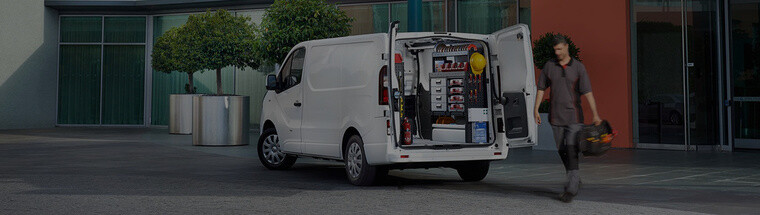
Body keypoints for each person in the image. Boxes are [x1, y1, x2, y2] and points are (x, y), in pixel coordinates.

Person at [534, 35, 602, 203]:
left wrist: (595, 114)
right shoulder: (549, 66)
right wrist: (535, 109)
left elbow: (588, 92)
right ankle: (575, 177)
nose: (557, 52)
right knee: (562, 150)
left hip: (574, 117)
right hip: (555, 117)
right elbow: (541, 88)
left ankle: (570, 189)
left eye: (559, 49)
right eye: (555, 49)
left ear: (566, 47)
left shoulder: (578, 68)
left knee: (571, 148)